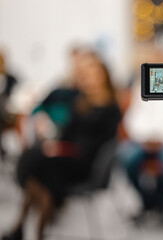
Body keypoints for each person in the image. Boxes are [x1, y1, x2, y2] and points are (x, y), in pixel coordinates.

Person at [2, 50, 121, 240]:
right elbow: (67, 133)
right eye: (85, 75)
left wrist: (63, 148)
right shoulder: (81, 102)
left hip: (85, 163)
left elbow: (96, 145)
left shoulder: (111, 107)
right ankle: (30, 230)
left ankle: (26, 229)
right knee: (39, 169)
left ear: (103, 76)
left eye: (92, 74)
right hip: (66, 157)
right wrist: (57, 145)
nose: (88, 80)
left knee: (39, 163)